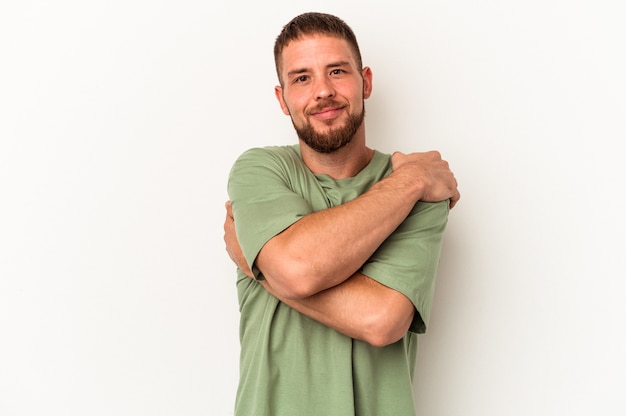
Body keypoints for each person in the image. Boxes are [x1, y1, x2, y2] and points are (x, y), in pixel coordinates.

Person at [223, 12, 460, 416]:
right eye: (302, 78)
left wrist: (258, 265)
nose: (323, 91)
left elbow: (382, 320)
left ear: (365, 81)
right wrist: (410, 184)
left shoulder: (419, 188)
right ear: (282, 99)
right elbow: (298, 269)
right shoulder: (259, 170)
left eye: (337, 71)